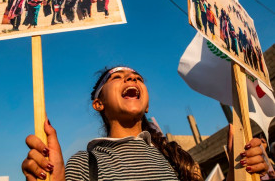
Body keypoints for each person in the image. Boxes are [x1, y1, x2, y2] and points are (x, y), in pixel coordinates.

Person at [21, 66, 269, 181]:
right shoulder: (83, 164)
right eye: (116, 77)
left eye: (137, 77)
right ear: (99, 103)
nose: (131, 77)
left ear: (147, 105)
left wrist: (242, 170)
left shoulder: (178, 159)